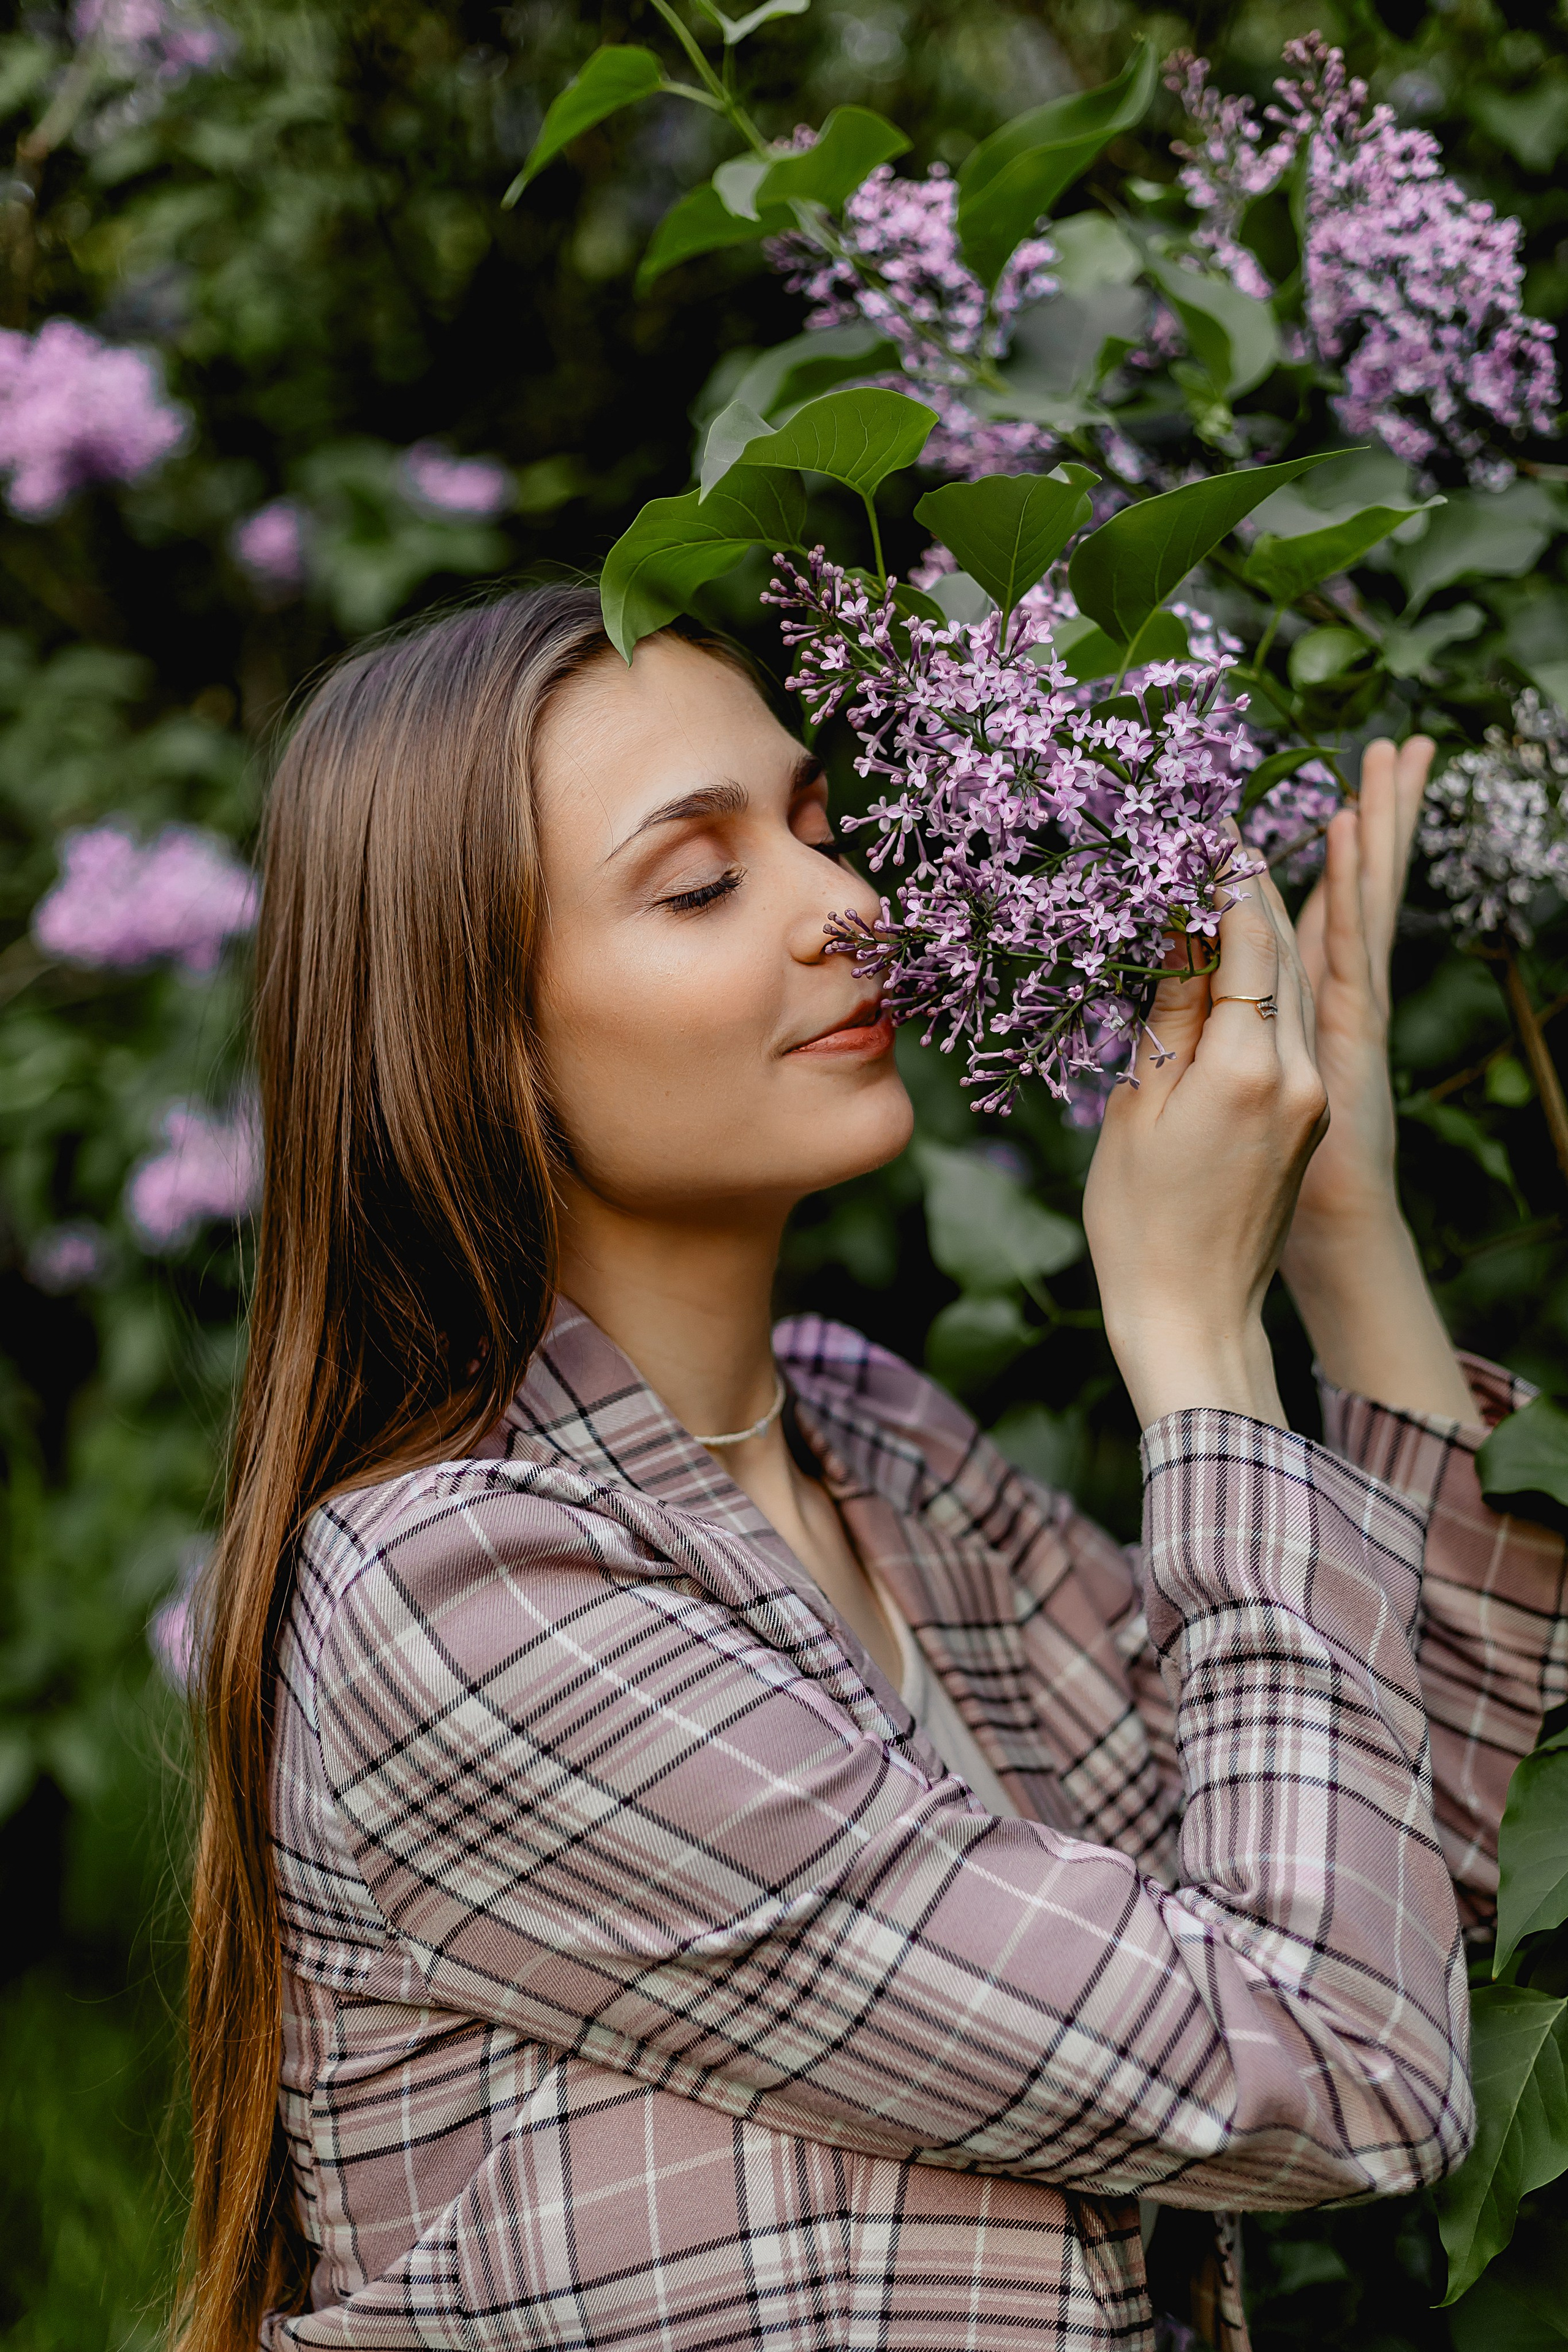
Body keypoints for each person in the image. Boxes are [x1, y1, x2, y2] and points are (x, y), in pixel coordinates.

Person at [181, 587, 1566, 2352]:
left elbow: (1403, 1895)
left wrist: (1340, 1235)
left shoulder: (878, 1446)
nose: (849, 908)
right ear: (474, 1039)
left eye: (821, 830)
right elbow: (1341, 2068)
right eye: (699, 884)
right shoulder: (464, 1604)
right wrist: (1193, 1350)